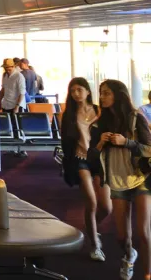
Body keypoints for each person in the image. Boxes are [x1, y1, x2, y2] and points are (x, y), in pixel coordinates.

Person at [93, 79, 151, 280]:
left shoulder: (136, 118)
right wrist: (100, 142)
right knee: (121, 237)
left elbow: (149, 148)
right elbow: (92, 155)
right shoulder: (101, 122)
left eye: (107, 93)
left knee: (143, 232)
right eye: (101, 93)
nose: (102, 97)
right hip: (117, 180)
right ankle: (129, 256)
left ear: (118, 94)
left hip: (141, 177)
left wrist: (127, 142)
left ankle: (147, 273)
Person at [60, 77, 111, 262]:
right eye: (72, 90)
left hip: (99, 160)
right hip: (80, 160)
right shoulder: (68, 115)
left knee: (106, 207)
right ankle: (95, 245)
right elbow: (66, 142)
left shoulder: (99, 111)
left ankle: (92, 229)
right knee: (91, 201)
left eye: (79, 89)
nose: (76, 93)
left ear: (88, 91)